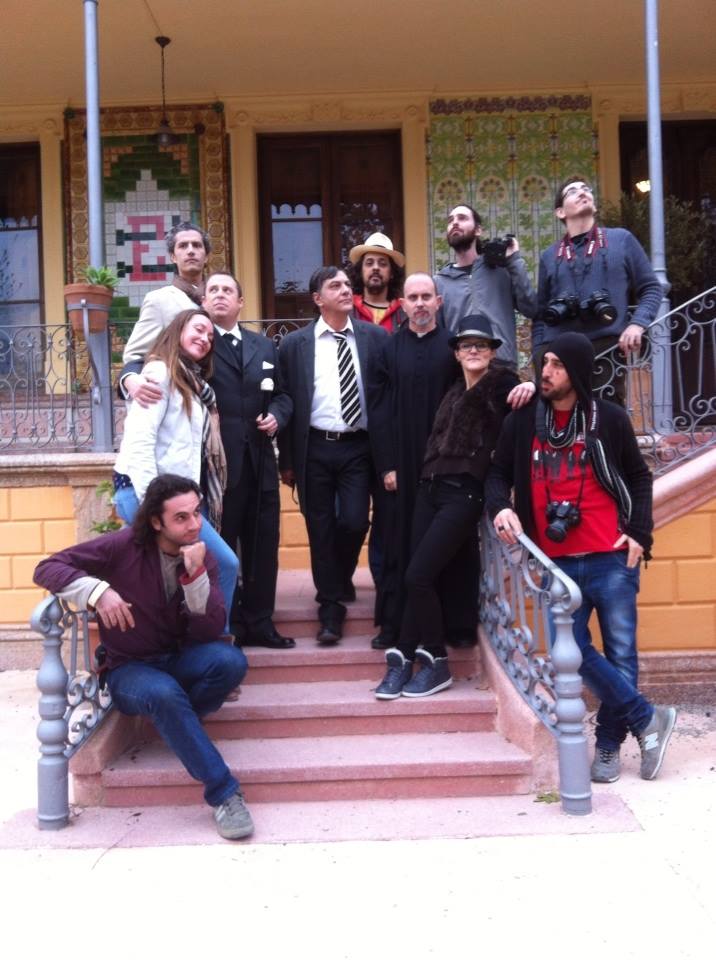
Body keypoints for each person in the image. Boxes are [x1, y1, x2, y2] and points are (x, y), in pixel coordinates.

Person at [485, 331, 677, 782]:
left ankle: (608, 746)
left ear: (577, 372)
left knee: (621, 653)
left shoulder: (608, 418)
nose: (546, 371)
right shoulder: (523, 421)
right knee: (567, 652)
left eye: (556, 364)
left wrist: (639, 533)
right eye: (544, 363)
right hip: (554, 564)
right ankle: (647, 717)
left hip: (611, 556)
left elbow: (639, 477)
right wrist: (500, 507)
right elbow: (496, 473)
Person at [33, 474, 254, 840]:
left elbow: (209, 631)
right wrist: (98, 592)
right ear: (156, 522)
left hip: (178, 659)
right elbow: (47, 567)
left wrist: (196, 575)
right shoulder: (122, 547)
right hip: (130, 669)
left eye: (197, 513)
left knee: (230, 662)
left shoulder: (202, 556)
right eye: (181, 517)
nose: (194, 524)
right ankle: (224, 793)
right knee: (162, 692)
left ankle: (180, 723)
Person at [374, 313, 522, 699]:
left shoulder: (501, 385)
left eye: (481, 345)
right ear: (456, 353)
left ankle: (437, 661)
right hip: (429, 488)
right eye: (466, 345)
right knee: (415, 572)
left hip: (464, 493)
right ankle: (404, 656)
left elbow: (527, 405)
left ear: (492, 352)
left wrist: (532, 385)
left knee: (418, 576)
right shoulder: (454, 390)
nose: (473, 350)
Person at [278, 265, 389, 645]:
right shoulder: (294, 345)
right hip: (314, 447)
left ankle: (340, 576)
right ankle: (330, 609)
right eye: (335, 285)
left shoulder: (375, 338)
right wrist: (287, 461)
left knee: (355, 521)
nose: (345, 289)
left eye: (346, 284)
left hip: (359, 446)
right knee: (320, 528)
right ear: (317, 298)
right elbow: (286, 401)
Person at [113, 309, 239, 621]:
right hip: (149, 496)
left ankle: (193, 640)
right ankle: (214, 638)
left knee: (169, 579)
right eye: (198, 329)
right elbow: (140, 441)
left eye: (210, 336)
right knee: (224, 564)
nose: (205, 338)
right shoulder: (160, 373)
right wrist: (152, 503)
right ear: (178, 330)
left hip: (175, 500)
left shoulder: (191, 382)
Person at [202, 272, 294, 649]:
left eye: (227, 290)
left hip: (261, 464)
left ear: (240, 302)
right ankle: (229, 624)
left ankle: (261, 622)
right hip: (219, 469)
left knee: (263, 545)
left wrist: (277, 416)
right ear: (204, 302)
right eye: (213, 290)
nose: (220, 295)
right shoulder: (199, 343)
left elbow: (284, 395)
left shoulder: (264, 346)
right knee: (223, 548)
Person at [534, 179, 662, 402]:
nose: (582, 192)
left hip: (605, 345)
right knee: (557, 417)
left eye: (586, 189)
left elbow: (651, 287)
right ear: (560, 212)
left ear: (593, 204)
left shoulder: (621, 239)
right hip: (557, 349)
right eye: (572, 191)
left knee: (605, 414)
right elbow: (540, 312)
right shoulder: (549, 255)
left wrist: (637, 323)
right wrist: (538, 354)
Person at [434, 204, 537, 365]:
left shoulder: (501, 269)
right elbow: (438, 333)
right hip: (461, 369)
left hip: (501, 363)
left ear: (478, 230)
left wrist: (514, 260)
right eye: (450, 220)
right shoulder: (440, 281)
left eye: (462, 218)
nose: (454, 223)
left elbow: (531, 308)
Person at [122, 221, 211, 382]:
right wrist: (132, 381)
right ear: (173, 257)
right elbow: (135, 355)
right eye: (183, 246)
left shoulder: (218, 297)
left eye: (197, 245)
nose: (190, 250)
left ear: (206, 256)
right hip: (180, 389)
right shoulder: (159, 300)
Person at [347, 232, 406, 332]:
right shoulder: (347, 310)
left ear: (392, 273)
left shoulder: (404, 313)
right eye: (369, 263)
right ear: (361, 271)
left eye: (382, 264)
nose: (375, 268)